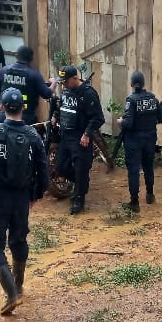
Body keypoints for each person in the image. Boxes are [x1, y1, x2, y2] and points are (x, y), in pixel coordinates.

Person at [0, 88, 49, 315]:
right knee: (19, 240)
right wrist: (36, 194)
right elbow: (43, 169)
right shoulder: (34, 136)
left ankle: (11, 294)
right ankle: (18, 285)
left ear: (2, 107)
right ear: (23, 108)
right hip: (21, 198)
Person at [55, 65, 104, 215]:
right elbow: (62, 106)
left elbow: (98, 118)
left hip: (80, 136)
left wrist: (87, 134)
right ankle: (81, 181)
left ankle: (79, 199)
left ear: (75, 78)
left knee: (81, 168)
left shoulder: (88, 93)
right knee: (60, 167)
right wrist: (55, 116)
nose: (63, 84)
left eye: (66, 81)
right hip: (66, 135)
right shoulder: (66, 90)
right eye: (62, 82)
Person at [120, 70, 162, 211]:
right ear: (144, 83)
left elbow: (128, 123)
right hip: (150, 139)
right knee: (148, 167)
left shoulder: (131, 100)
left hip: (134, 140)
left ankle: (134, 202)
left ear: (132, 84)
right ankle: (150, 195)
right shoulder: (153, 99)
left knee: (134, 170)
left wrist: (120, 121)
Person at [0, 45, 52, 125]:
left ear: (16, 55)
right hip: (25, 119)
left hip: (4, 117)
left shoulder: (4, 70)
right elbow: (47, 94)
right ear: (31, 58)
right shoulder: (34, 75)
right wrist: (54, 82)